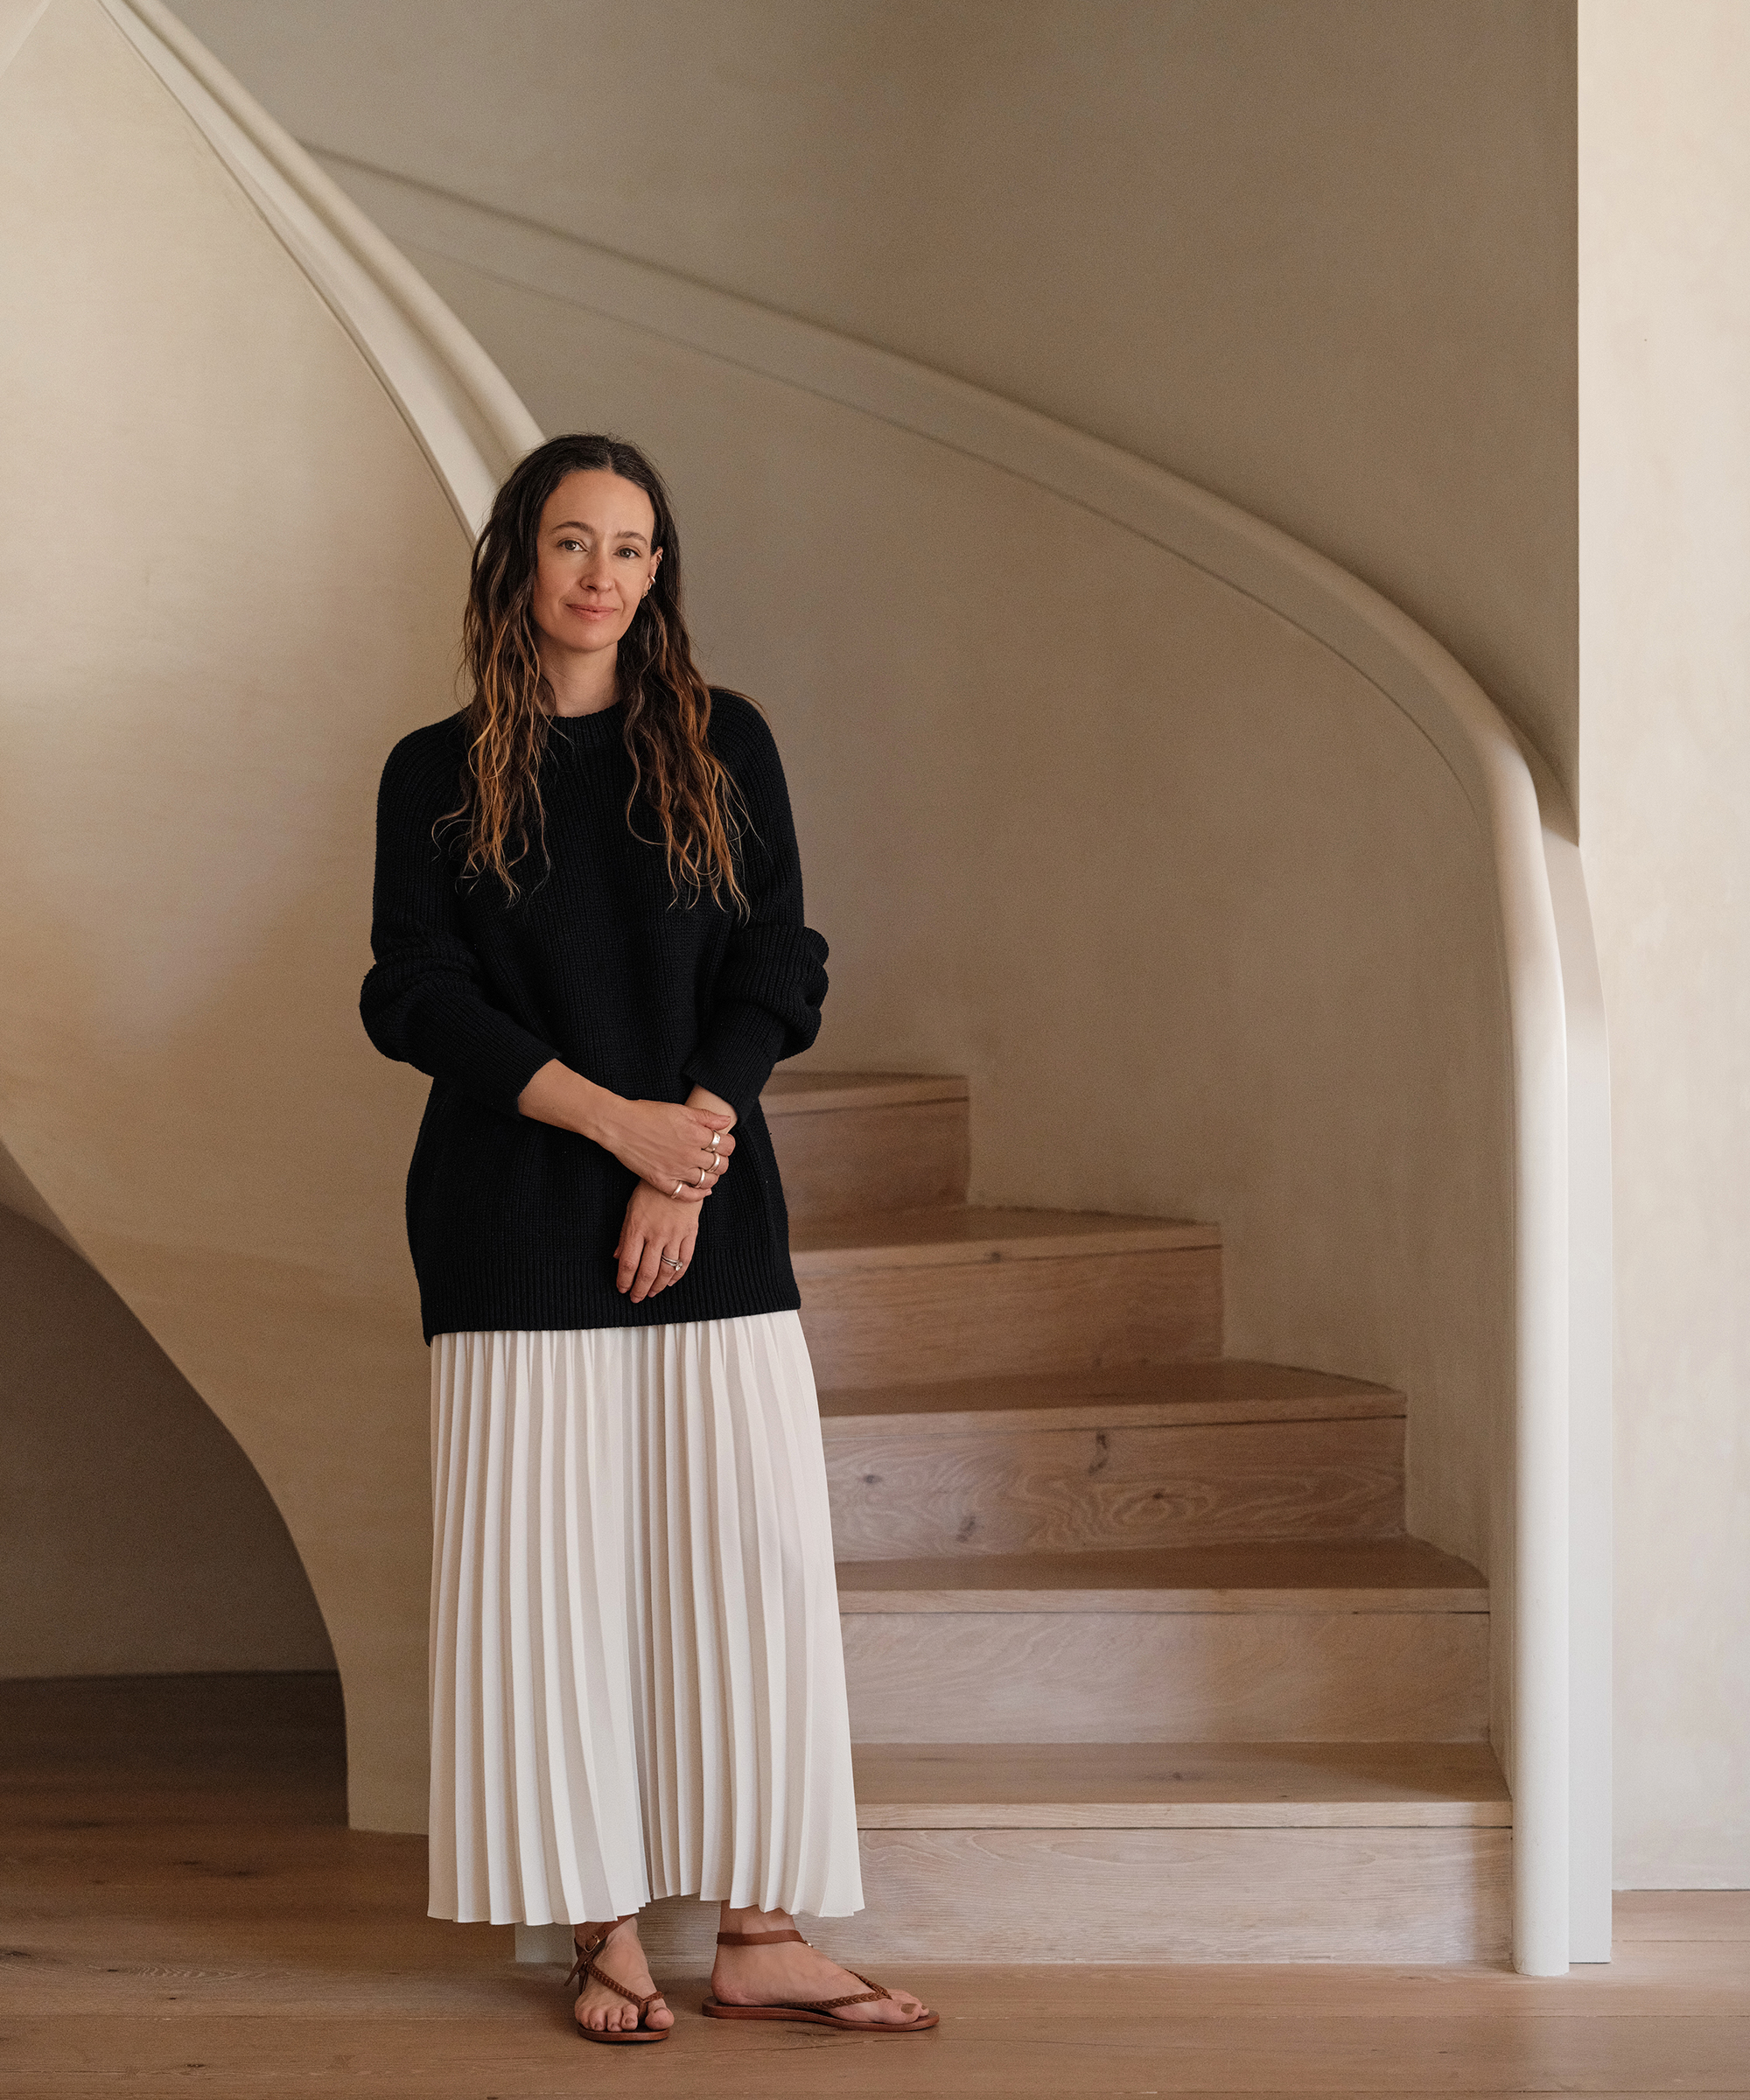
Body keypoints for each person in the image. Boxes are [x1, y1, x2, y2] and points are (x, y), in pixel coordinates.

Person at [360, 433, 934, 2042]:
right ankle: (602, 1928)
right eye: (571, 542)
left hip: (710, 1198)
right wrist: (617, 1131)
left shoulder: (721, 742)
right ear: (516, 565)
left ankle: (758, 1931)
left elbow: (781, 958)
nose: (602, 574)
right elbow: (411, 994)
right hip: (513, 1222)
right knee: (552, 1588)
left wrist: (684, 1157)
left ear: (658, 571)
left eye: (632, 546)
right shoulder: (434, 767)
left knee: (748, 1569)